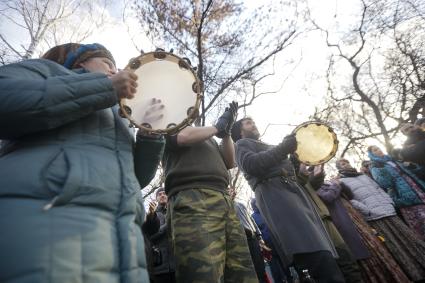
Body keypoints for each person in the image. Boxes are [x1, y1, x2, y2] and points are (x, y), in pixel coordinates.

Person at [0, 43, 165, 283]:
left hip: (122, 249)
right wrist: (106, 87)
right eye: (108, 64)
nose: (116, 70)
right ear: (81, 62)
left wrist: (150, 134)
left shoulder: (120, 115)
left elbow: (137, 178)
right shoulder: (46, 71)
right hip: (42, 232)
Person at [231, 117, 345, 283]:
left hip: (295, 197)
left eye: (253, 121)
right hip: (277, 197)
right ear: (239, 132)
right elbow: (251, 164)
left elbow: (297, 178)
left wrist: (299, 163)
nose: (253, 123)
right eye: (248, 123)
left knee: (323, 255)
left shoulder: (268, 147)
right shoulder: (241, 145)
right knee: (311, 254)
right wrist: (283, 148)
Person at [162, 102, 257, 283]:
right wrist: (216, 127)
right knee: (204, 274)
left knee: (242, 272)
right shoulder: (168, 125)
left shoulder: (207, 136)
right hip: (193, 199)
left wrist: (226, 133)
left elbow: (229, 162)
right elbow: (182, 138)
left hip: (223, 200)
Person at [336, 158, 425, 282]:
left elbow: (378, 189)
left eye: (347, 162)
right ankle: (412, 274)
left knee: (411, 239)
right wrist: (367, 210)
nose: (346, 164)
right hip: (374, 217)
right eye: (342, 164)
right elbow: (350, 200)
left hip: (389, 210)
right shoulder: (341, 181)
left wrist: (389, 202)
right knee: (394, 247)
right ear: (338, 168)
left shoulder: (364, 176)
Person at [367, 145, 425, 239]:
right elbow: (385, 184)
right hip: (405, 196)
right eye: (375, 150)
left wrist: (411, 166)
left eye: (379, 148)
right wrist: (382, 171)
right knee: (420, 223)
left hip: (418, 189)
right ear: (371, 154)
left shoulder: (392, 159)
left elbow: (411, 171)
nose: (379, 150)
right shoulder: (375, 166)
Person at [231, 191, 270, 283]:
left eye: (230, 189)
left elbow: (251, 220)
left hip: (253, 239)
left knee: (260, 267)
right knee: (251, 269)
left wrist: (259, 237)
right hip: (241, 242)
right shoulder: (225, 207)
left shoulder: (240, 205)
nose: (230, 191)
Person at [251, 199, 288, 283]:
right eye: (256, 203)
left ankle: (289, 278)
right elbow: (256, 232)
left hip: (278, 242)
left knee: (285, 263)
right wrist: (263, 245)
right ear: (254, 205)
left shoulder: (266, 211)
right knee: (274, 267)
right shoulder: (253, 217)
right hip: (267, 245)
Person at [143, 187, 176, 283]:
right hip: (159, 268)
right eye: (159, 194)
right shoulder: (152, 216)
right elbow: (149, 237)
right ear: (156, 198)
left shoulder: (176, 212)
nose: (162, 195)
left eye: (164, 193)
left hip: (178, 266)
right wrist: (167, 225)